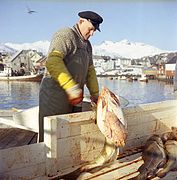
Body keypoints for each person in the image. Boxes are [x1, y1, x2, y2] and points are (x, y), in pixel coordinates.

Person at [39, 10, 103, 142]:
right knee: (51, 136)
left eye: (94, 31)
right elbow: (53, 61)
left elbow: (90, 71)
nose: (91, 34)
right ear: (81, 21)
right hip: (55, 95)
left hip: (76, 97)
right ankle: (46, 161)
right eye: (90, 29)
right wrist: (70, 87)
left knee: (71, 135)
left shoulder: (88, 46)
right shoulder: (65, 35)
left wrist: (95, 94)